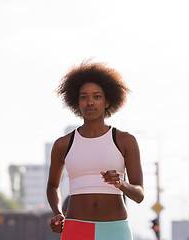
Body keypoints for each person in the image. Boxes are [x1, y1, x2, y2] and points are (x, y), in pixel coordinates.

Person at [46, 61, 144, 240]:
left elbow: (139, 195)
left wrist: (121, 183)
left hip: (115, 230)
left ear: (107, 101)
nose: (90, 102)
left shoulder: (125, 141)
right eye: (84, 97)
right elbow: (53, 186)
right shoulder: (63, 144)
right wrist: (58, 213)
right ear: (77, 101)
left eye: (96, 96)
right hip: (76, 228)